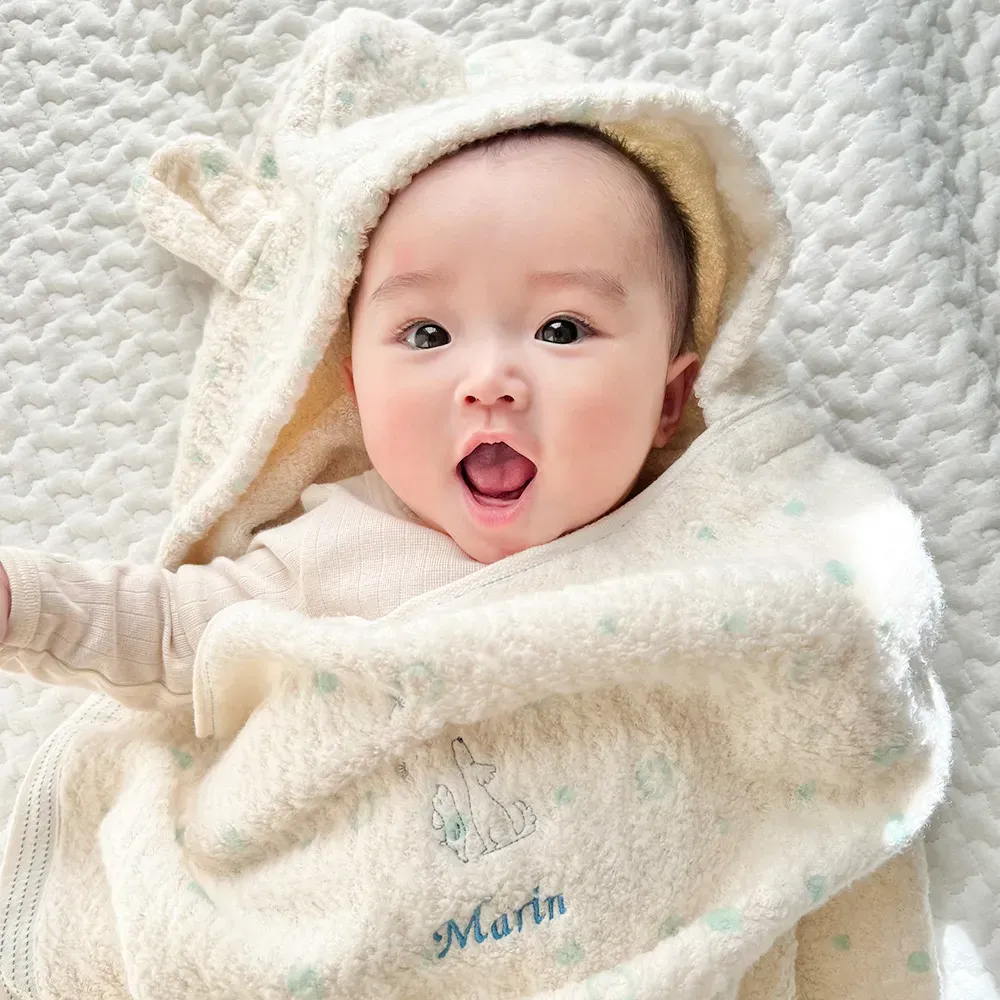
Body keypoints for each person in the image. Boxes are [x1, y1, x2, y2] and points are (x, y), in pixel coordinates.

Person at [0, 121, 700, 707]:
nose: (489, 382)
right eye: (428, 334)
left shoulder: (707, 531)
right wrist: (21, 601)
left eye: (562, 330)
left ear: (668, 400)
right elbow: (172, 629)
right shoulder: (336, 553)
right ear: (359, 394)